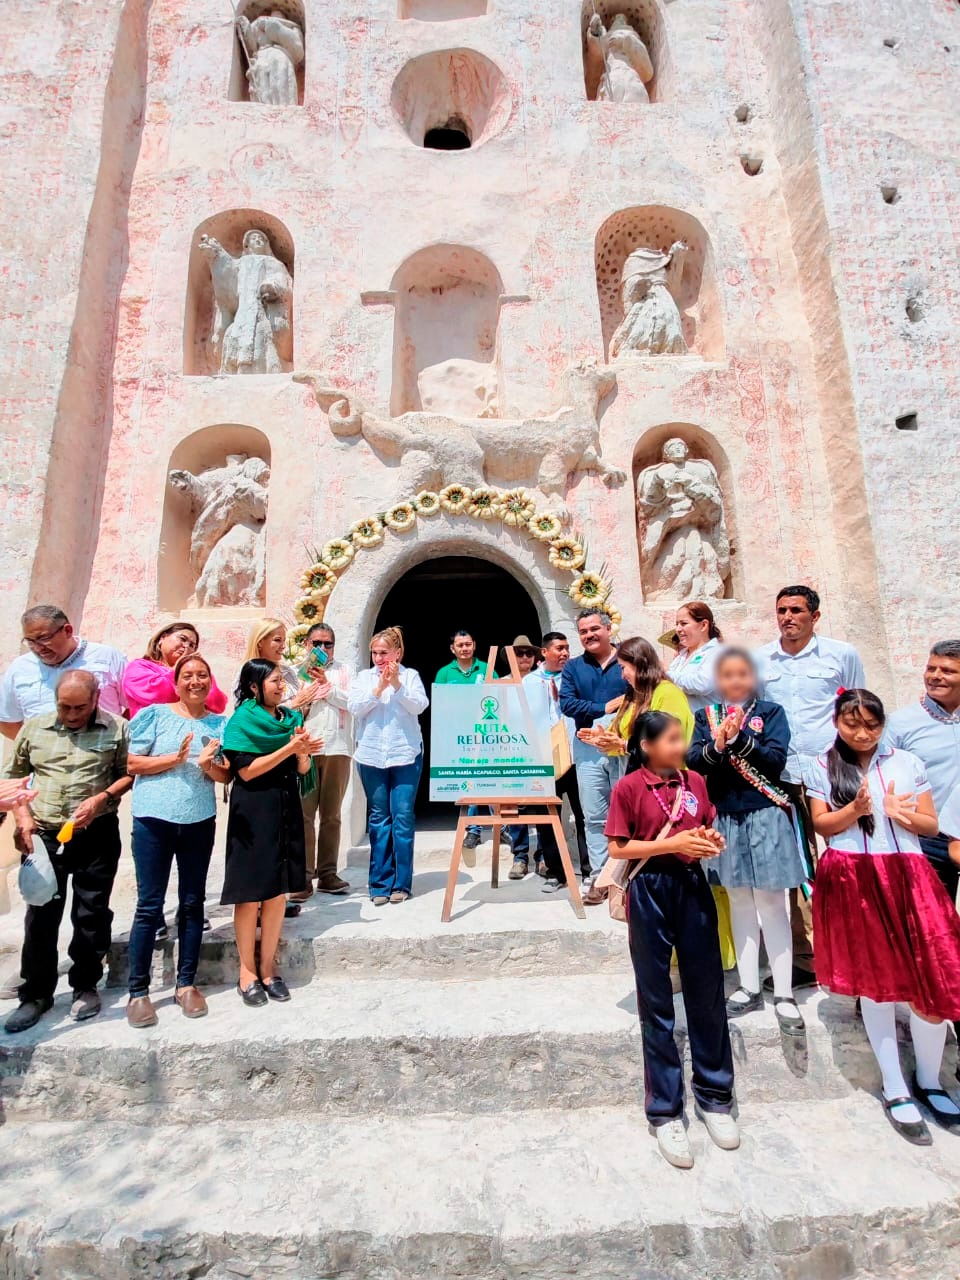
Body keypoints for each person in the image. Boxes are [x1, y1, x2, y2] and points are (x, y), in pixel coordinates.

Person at [806, 688, 960, 1144]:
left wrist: (902, 815)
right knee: (876, 986)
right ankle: (895, 1087)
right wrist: (854, 810)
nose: (862, 733)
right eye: (852, 724)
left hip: (908, 875)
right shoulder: (822, 766)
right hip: (853, 876)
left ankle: (930, 1080)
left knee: (932, 979)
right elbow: (821, 824)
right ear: (837, 723)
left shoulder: (906, 763)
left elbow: (931, 824)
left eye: (871, 725)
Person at [604, 711, 737, 1169]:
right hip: (649, 890)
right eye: (672, 739)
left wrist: (709, 840)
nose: (681, 745)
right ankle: (665, 1110)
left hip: (692, 886)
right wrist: (671, 844)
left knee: (707, 991)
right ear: (647, 746)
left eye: (682, 737)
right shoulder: (628, 788)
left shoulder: (694, 782)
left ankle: (715, 1096)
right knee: (656, 999)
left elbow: (704, 824)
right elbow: (619, 848)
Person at [4, 671, 131, 1034]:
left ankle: (85, 985)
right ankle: (35, 994)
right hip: (43, 835)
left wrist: (102, 799)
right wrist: (23, 820)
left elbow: (128, 774)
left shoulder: (117, 729)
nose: (72, 714)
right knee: (41, 914)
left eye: (80, 707)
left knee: (91, 912)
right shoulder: (35, 728)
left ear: (96, 700)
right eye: (64, 707)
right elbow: (14, 779)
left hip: (96, 832)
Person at [687, 648, 806, 1031]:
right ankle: (748, 984)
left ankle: (784, 992)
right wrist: (719, 744)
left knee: (771, 903)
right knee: (738, 899)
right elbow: (694, 762)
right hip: (725, 816)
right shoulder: (705, 718)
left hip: (765, 813)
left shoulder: (771, 714)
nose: (735, 681)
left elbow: (774, 761)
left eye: (742, 674)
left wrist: (739, 739)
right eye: (727, 675)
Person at [756, 585, 865, 983]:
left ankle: (854, 952)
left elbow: (859, 709)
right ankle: (807, 959)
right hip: (783, 775)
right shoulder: (761, 660)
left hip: (833, 772)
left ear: (814, 616)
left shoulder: (842, 654)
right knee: (798, 865)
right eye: (781, 610)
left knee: (847, 860)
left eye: (796, 610)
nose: (787, 617)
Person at [124, 655, 231, 1027]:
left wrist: (207, 765)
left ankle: (186, 984)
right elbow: (133, 764)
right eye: (188, 675)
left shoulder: (219, 724)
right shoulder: (154, 715)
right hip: (153, 821)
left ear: (210, 681)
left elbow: (225, 776)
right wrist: (176, 758)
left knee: (192, 902)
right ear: (176, 681)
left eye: (202, 675)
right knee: (149, 905)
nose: (195, 681)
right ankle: (138, 992)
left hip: (199, 820)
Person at [221, 659, 321, 1007]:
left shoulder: (289, 720)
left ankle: (268, 968)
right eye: (274, 681)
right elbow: (247, 771)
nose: (281, 687)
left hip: (285, 806)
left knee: (278, 892)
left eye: (282, 681)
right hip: (253, 811)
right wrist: (289, 749)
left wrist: (303, 754)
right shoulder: (242, 721)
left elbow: (302, 769)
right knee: (250, 894)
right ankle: (246, 971)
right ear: (254, 687)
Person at [350, 628, 428, 905]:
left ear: (398, 653)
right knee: (378, 818)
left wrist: (396, 685)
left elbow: (419, 706)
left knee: (402, 817)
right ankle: (379, 883)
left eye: (384, 652)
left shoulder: (410, 676)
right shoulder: (364, 678)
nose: (379, 658)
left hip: (405, 754)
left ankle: (402, 883)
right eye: (375, 653)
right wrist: (379, 688)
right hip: (371, 755)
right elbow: (355, 707)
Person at [559, 609, 629, 902]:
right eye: (583, 631)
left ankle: (626, 876)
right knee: (594, 815)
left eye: (594, 629)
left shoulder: (627, 660)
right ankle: (600, 877)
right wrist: (605, 707)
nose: (589, 635)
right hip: (588, 748)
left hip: (623, 744)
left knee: (628, 813)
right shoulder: (573, 668)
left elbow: (642, 695)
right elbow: (567, 704)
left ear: (608, 629)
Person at [888, 640, 960, 899]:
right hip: (925, 839)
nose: (935, 676)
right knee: (932, 918)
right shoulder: (900, 724)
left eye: (947, 671)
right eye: (931, 669)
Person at [523, 633, 590, 893]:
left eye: (567, 648)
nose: (564, 653)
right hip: (544, 758)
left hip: (574, 754)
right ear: (544, 652)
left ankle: (589, 871)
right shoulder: (529, 682)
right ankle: (555, 872)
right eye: (559, 648)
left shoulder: (574, 678)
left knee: (584, 814)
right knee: (546, 817)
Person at [0, 604, 126, 740]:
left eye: (44, 639)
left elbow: (137, 706)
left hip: (102, 749)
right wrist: (35, 744)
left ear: (67, 631)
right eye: (30, 642)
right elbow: (7, 720)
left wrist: (119, 737)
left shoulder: (107, 657)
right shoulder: (20, 668)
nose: (38, 648)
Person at [293, 622, 354, 899]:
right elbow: (287, 707)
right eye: (316, 643)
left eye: (328, 644)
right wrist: (305, 696)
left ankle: (328, 872)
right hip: (305, 748)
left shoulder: (345, 671)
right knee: (304, 815)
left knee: (332, 815)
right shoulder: (295, 672)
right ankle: (303, 876)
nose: (322, 648)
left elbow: (353, 703)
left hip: (337, 747)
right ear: (307, 644)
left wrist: (327, 687)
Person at [435, 630, 490, 851]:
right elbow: (439, 705)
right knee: (469, 781)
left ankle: (503, 827)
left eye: (468, 644)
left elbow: (500, 697)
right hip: (459, 736)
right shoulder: (444, 673)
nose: (465, 648)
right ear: (452, 649)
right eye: (460, 645)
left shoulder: (487, 668)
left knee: (494, 778)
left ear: (474, 645)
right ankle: (473, 829)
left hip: (488, 734)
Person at [123, 622, 228, 718]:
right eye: (182, 639)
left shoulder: (196, 673)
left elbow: (218, 704)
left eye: (192, 645)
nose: (186, 646)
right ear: (162, 638)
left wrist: (199, 673)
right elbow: (159, 696)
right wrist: (177, 670)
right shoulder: (138, 667)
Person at [504, 634, 543, 879]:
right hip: (511, 749)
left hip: (539, 748)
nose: (525, 657)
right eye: (520, 653)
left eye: (529, 653)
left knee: (541, 803)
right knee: (513, 804)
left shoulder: (542, 681)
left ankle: (543, 856)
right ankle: (519, 856)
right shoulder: (501, 684)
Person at [664, 602, 723, 713]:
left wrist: (667, 673)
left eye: (683, 623)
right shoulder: (681, 655)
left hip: (704, 721)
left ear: (704, 625)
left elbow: (702, 684)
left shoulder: (717, 652)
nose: (678, 629)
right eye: (677, 624)